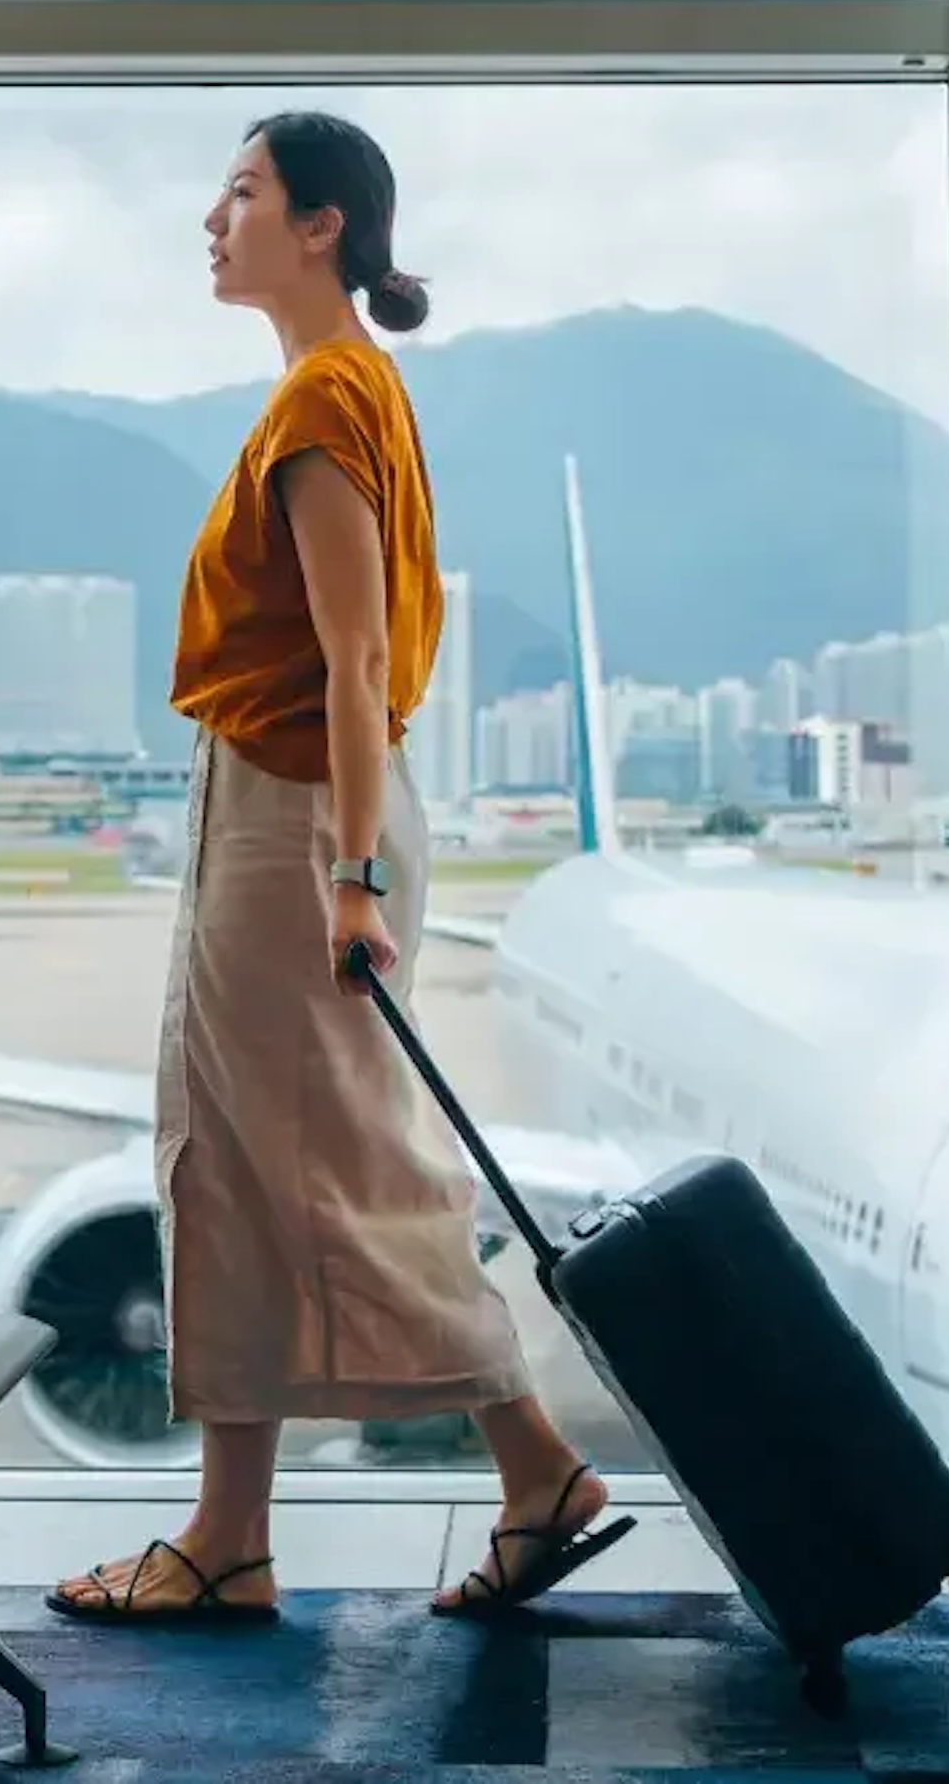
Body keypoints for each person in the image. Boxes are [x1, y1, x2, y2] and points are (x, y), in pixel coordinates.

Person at [46, 110, 630, 1627]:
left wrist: (351, 875)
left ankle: (529, 1466)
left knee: (335, 1164)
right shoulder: (343, 390)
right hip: (293, 808)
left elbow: (358, 658)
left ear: (321, 225)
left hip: (302, 815)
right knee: (238, 1161)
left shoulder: (322, 403)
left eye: (240, 191)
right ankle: (236, 1528)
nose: (211, 217)